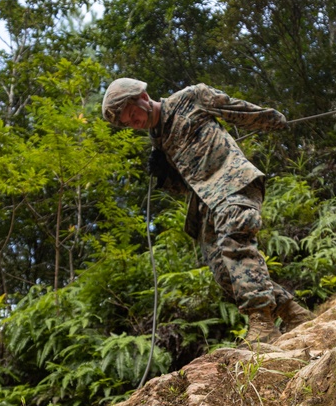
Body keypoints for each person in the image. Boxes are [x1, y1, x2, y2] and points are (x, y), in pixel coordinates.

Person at [101, 78, 313, 344]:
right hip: (206, 205)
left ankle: (262, 322)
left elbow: (237, 110)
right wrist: (164, 176)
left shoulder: (191, 98)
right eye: (128, 123)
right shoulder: (158, 140)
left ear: (143, 97)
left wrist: (274, 120)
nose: (134, 123)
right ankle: (292, 312)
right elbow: (185, 184)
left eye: (133, 115)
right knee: (225, 272)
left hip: (234, 182)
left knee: (235, 244)